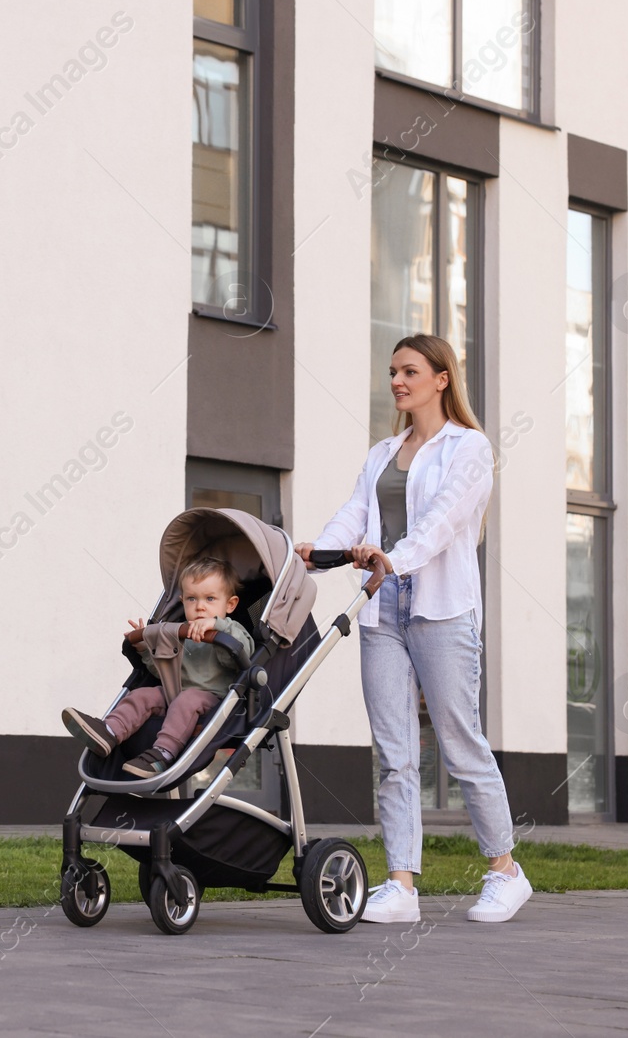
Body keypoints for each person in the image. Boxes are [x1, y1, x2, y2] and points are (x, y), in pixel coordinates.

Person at [296, 334, 531, 924]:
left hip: (442, 610)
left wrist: (392, 558)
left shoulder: (469, 448)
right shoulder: (382, 452)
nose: (398, 382)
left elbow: (444, 519)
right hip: (381, 610)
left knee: (460, 743)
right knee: (394, 754)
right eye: (394, 372)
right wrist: (319, 550)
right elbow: (356, 512)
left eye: (410, 371)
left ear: (442, 379)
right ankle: (401, 884)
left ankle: (505, 870)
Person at [62, 557, 255, 778]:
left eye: (210, 599)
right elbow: (162, 671)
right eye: (192, 599)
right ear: (183, 601)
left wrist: (216, 625)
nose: (200, 606)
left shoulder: (232, 629)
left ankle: (163, 753)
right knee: (143, 694)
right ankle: (109, 732)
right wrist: (145, 648)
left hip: (212, 701)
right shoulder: (178, 634)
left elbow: (242, 653)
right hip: (173, 693)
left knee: (188, 699)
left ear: (230, 604)